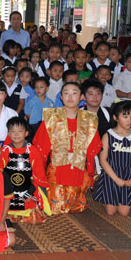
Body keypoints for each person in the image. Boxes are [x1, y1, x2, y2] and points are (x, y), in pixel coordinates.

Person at [33, 82, 102, 214]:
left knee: (77, 207)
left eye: (74, 93)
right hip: (57, 167)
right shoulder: (52, 118)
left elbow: (93, 149)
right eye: (66, 93)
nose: (70, 97)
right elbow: (41, 147)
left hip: (79, 167)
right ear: (61, 97)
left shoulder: (89, 120)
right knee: (56, 208)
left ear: (82, 97)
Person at [93, 101, 131, 216]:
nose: (129, 120)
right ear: (115, 117)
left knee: (123, 212)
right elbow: (103, 160)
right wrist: (116, 179)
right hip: (112, 176)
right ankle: (105, 195)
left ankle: (120, 197)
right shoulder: (108, 135)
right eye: (125, 117)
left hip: (129, 177)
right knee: (110, 212)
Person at [0, 117, 49, 224]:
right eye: (13, 131)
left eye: (20, 131)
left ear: (26, 133)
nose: (16, 134)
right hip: (9, 189)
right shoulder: (5, 151)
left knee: (33, 216)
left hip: (27, 188)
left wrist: (30, 192)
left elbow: (38, 175)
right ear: (8, 133)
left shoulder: (33, 151)